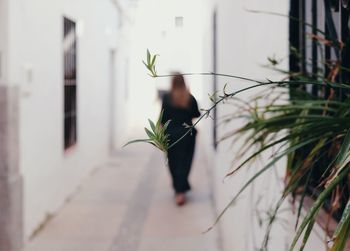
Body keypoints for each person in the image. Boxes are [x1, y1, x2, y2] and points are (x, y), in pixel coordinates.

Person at [161, 73, 200, 206]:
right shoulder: (189, 97)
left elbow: (163, 118)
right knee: (185, 162)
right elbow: (196, 114)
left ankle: (179, 190)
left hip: (170, 135)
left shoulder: (167, 97)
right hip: (187, 135)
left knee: (173, 163)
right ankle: (181, 190)